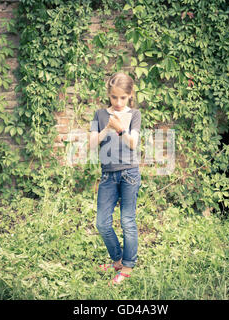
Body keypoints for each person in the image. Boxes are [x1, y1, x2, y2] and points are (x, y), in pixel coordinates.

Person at [89, 72, 142, 285]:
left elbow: (132, 144)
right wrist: (107, 128)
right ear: (109, 95)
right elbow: (93, 144)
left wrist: (120, 130)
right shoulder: (100, 115)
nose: (118, 102)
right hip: (108, 175)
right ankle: (118, 260)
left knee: (127, 220)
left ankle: (128, 265)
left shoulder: (135, 114)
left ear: (130, 95)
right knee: (102, 222)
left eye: (123, 97)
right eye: (114, 97)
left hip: (129, 172)